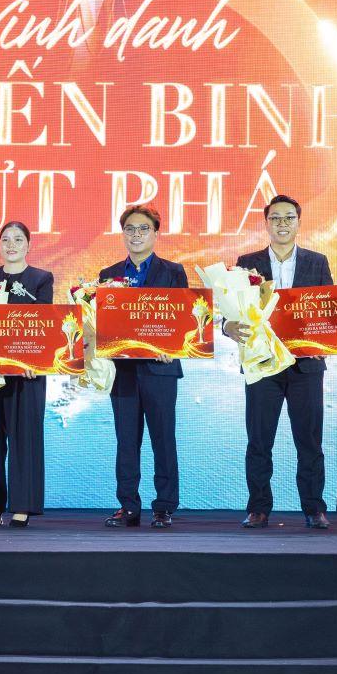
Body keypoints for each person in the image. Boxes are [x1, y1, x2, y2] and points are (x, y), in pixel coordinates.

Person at [223, 195, 334, 530]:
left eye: (289, 218)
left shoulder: (317, 262)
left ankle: (314, 509)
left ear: (298, 223)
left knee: (310, 441)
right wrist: (229, 328)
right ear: (266, 223)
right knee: (259, 441)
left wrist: (326, 343)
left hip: (306, 366)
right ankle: (258, 508)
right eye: (275, 218)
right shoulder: (247, 263)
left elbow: (329, 311)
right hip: (262, 365)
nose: (282, 224)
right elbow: (230, 313)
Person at [98, 205, 188, 529]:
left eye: (143, 229)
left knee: (163, 439)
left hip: (160, 369)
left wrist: (171, 347)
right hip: (122, 372)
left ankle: (164, 506)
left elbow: (183, 318)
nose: (136, 235)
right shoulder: (108, 275)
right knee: (126, 441)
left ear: (155, 233)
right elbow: (102, 322)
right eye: (130, 229)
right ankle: (128, 506)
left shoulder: (174, 272)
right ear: (123, 234)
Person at [0, 221, 54, 528]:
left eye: (18, 239)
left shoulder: (41, 279)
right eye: (5, 239)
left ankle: (22, 506)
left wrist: (34, 359)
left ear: (28, 245)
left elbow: (43, 323)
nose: (11, 245)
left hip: (27, 373)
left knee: (25, 438)